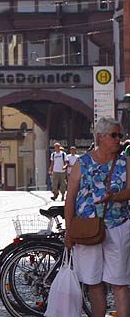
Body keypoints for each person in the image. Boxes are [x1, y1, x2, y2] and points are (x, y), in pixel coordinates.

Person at [64, 118, 130, 317]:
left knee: (120, 283)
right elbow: (70, 198)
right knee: (94, 283)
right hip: (87, 229)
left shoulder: (124, 162)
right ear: (100, 137)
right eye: (114, 135)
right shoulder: (82, 162)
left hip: (117, 226)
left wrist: (115, 197)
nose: (119, 139)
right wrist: (69, 231)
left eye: (120, 135)